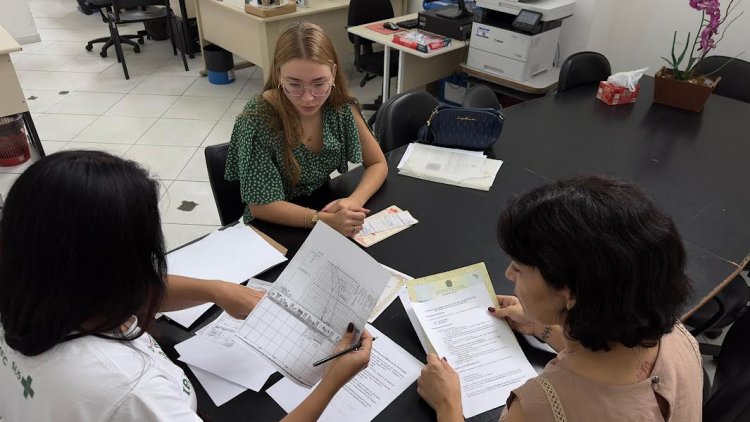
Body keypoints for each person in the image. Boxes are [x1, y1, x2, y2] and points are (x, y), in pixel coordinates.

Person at [0, 151, 372, 421]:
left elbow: (134, 289)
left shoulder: (31, 288)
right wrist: (330, 382)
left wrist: (215, 290)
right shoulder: (129, 391)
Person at [417, 175, 702, 421]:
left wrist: (448, 406)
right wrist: (542, 328)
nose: (507, 273)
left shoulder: (540, 408)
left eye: (518, 267)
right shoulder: (677, 335)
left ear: (569, 293)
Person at [225, 22, 388, 238]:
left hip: (323, 205)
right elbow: (260, 205)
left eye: (319, 83)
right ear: (278, 74)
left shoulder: (339, 105)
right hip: (275, 224)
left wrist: (353, 202)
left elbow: (377, 163)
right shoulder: (259, 118)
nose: (308, 97)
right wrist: (324, 221)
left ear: (333, 73)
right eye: (294, 84)